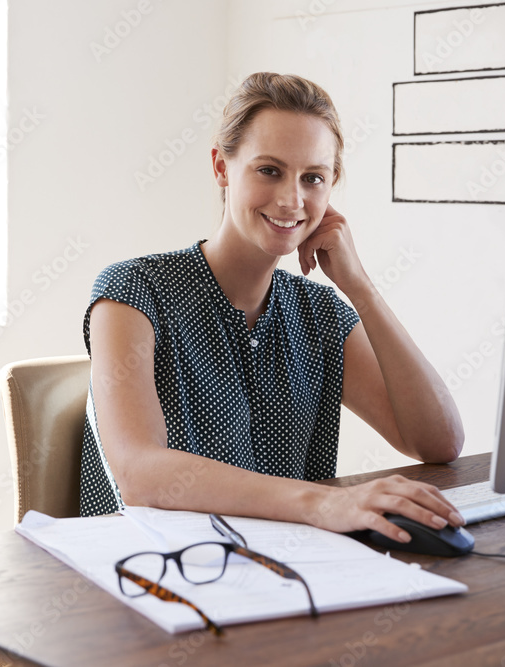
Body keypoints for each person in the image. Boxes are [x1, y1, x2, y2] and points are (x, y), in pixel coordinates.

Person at [81, 72, 465, 544]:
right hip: (148, 573)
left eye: (313, 178)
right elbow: (139, 473)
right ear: (222, 167)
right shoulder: (134, 291)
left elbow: (438, 441)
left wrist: (360, 287)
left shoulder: (320, 312)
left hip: (282, 569)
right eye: (269, 170)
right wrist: (325, 503)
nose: (291, 199)